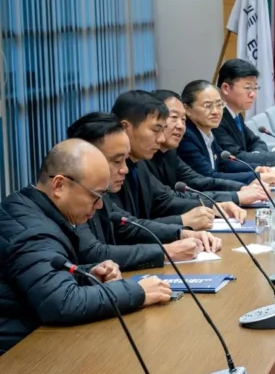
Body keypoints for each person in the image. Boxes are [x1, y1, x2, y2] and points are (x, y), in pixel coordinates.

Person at [0, 140, 171, 355]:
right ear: (59, 185)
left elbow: (39, 279)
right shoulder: (32, 231)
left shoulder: (31, 208)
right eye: (95, 196)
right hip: (15, 358)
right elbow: (62, 303)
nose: (99, 206)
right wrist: (138, 291)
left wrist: (87, 275)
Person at [67, 112, 221, 271]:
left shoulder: (105, 190)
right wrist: (166, 252)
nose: (125, 169)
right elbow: (93, 253)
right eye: (117, 161)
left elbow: (129, 226)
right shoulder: (71, 197)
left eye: (125, 160)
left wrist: (181, 233)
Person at [111, 90, 245, 229]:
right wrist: (182, 221)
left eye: (183, 120)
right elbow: (121, 228)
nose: (161, 138)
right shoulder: (110, 167)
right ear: (125, 128)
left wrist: (213, 205)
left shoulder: (143, 161)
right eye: (156, 130)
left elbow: (165, 199)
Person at [146, 89, 270, 205]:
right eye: (174, 117)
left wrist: (242, 187)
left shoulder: (169, 153)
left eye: (183, 120)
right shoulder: (143, 159)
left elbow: (198, 180)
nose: (180, 126)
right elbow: (168, 198)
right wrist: (235, 196)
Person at [178, 80, 275, 185]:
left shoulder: (207, 132)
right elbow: (209, 177)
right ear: (187, 109)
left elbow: (224, 164)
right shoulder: (186, 137)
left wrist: (257, 168)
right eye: (207, 106)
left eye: (219, 104)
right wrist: (258, 177)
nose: (216, 111)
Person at [213, 59, 275, 168]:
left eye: (255, 88)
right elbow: (235, 157)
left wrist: (255, 155)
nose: (253, 94)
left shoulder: (236, 114)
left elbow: (256, 142)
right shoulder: (216, 118)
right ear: (226, 88)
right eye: (247, 88)